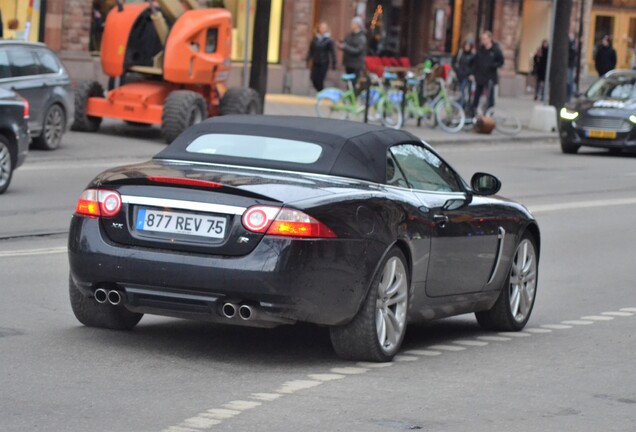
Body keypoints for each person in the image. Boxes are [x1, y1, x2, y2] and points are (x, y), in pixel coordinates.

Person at [470, 31, 504, 113]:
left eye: (485, 39)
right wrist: (473, 73)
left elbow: (501, 61)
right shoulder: (480, 50)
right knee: (477, 95)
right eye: (482, 39)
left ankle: (489, 111)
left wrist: (493, 65)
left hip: (490, 76)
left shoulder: (495, 50)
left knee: (490, 96)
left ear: (490, 39)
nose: (483, 41)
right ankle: (473, 111)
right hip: (480, 75)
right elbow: (475, 62)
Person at [306, 22, 336, 92]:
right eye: (321, 27)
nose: (322, 29)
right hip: (316, 61)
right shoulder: (315, 39)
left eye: (324, 28)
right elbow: (311, 50)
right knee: (313, 78)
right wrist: (308, 60)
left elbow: (332, 52)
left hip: (324, 62)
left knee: (320, 79)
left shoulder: (329, 40)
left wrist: (334, 63)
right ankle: (321, 92)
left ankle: (321, 93)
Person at [338, 16, 367, 88]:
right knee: (349, 83)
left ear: (357, 25)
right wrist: (341, 45)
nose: (351, 25)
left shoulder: (361, 37)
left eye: (353, 23)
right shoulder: (350, 35)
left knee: (353, 84)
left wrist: (345, 47)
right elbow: (346, 43)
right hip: (348, 63)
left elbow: (358, 50)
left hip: (356, 64)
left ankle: (352, 98)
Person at [452, 39, 475, 108]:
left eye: (468, 46)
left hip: (467, 76)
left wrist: (471, 74)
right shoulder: (460, 53)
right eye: (466, 45)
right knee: (459, 91)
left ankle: (460, 106)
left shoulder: (472, 55)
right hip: (459, 75)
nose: (467, 47)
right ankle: (459, 105)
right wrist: (456, 70)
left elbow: (474, 66)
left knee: (464, 91)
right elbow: (453, 61)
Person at [567, 34, 577, 100]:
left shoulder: (573, 45)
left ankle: (568, 96)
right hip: (568, 64)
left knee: (569, 81)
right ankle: (568, 96)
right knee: (568, 81)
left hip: (570, 65)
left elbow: (574, 54)